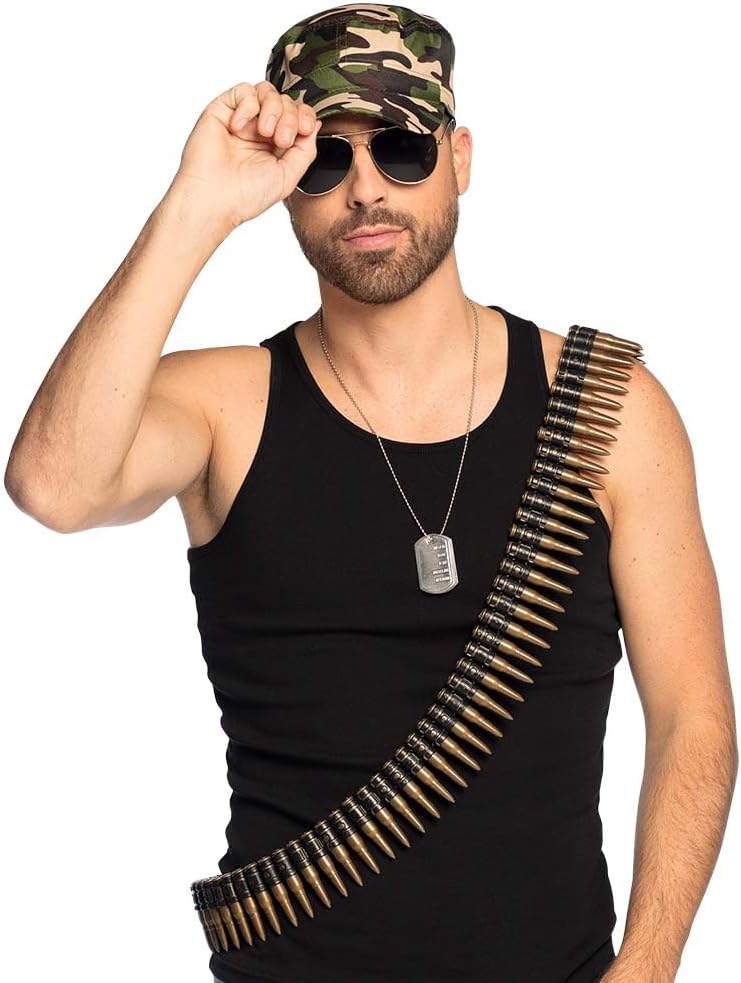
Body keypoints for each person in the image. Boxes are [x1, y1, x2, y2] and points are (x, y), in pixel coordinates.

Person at [4, 4, 736, 983]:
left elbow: (693, 715)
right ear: (284, 187)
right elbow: (53, 485)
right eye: (322, 161)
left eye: (402, 148)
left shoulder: (609, 407)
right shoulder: (225, 406)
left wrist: (647, 964)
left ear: (459, 159)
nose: (364, 189)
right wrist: (195, 208)